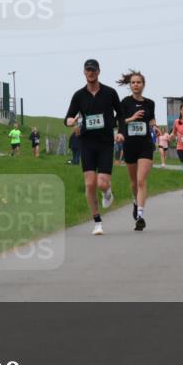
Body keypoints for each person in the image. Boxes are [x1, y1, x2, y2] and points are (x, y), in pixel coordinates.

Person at [64, 59, 124, 236]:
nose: (90, 73)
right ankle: (97, 222)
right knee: (90, 184)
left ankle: (107, 193)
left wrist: (121, 132)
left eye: (93, 70)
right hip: (87, 143)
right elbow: (68, 117)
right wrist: (69, 121)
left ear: (98, 72)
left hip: (106, 142)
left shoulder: (110, 93)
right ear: (84, 72)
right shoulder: (79, 95)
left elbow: (120, 115)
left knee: (102, 183)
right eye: (87, 70)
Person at [116, 70, 157, 231]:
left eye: (138, 82)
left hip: (146, 144)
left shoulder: (150, 103)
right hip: (130, 145)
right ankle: (135, 202)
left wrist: (155, 126)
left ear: (143, 85)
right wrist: (131, 118)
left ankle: (140, 215)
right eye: (133, 82)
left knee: (141, 181)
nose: (135, 85)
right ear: (130, 85)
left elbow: (151, 118)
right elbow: (118, 120)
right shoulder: (125, 102)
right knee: (133, 182)